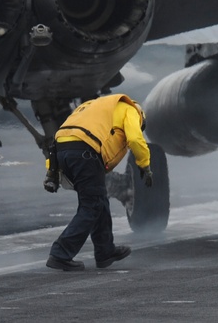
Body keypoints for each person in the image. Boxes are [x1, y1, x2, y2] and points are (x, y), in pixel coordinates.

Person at [44, 93, 152, 271]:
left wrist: (52, 170)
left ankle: (105, 251)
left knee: (100, 200)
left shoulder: (91, 107)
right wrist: (145, 166)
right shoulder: (131, 110)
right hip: (86, 153)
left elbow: (66, 136)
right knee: (92, 205)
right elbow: (134, 139)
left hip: (62, 153)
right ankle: (60, 254)